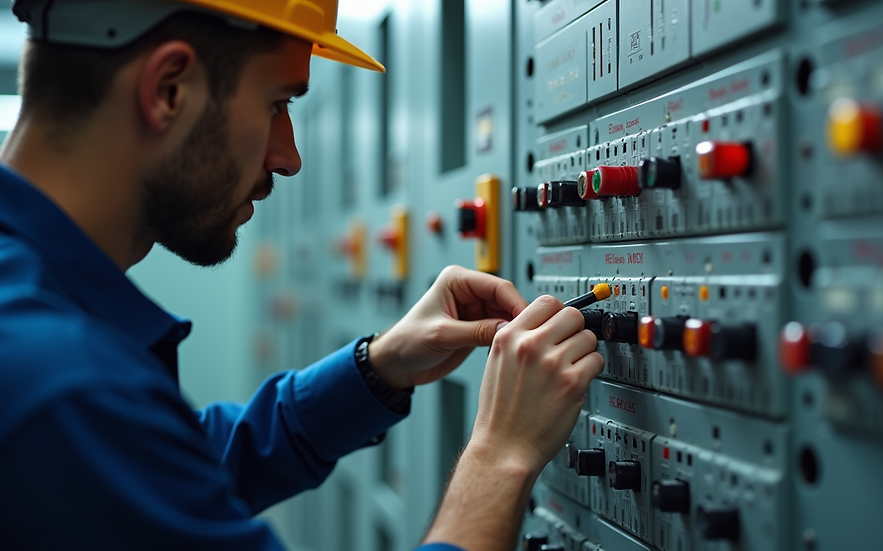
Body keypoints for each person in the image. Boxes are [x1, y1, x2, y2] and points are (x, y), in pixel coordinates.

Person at [0, 1, 605, 550]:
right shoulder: (61, 386)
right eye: (277, 105)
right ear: (168, 90)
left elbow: (167, 467)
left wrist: (377, 366)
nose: (288, 158)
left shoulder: (37, 330)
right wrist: (500, 457)